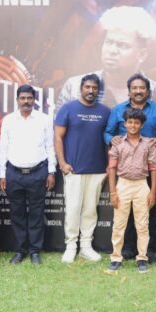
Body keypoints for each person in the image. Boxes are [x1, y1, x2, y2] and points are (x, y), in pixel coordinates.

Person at [104, 74, 156, 262]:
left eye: (142, 88)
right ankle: (127, 249)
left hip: (149, 169)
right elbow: (107, 133)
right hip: (125, 170)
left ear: (148, 91)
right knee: (125, 211)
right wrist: (111, 139)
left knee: (150, 209)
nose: (138, 91)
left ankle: (148, 250)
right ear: (129, 91)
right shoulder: (118, 110)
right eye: (134, 88)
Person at [54, 74, 111, 263]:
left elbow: (110, 140)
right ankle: (71, 246)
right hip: (74, 169)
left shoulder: (105, 112)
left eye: (94, 88)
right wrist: (62, 163)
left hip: (97, 169)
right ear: (81, 88)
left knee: (90, 210)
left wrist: (108, 166)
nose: (91, 91)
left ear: (98, 90)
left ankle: (86, 246)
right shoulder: (68, 109)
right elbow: (58, 137)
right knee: (72, 209)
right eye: (87, 87)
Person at [55, 6, 156, 109]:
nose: (112, 50)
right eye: (108, 42)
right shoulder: (75, 88)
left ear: (142, 54)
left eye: (122, 45)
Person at [0, 85, 56, 265]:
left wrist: (51, 171)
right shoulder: (9, 120)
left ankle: (35, 251)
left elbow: (50, 146)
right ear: (17, 100)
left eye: (29, 98)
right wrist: (2, 174)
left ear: (34, 99)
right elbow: (3, 148)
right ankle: (20, 251)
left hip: (38, 172)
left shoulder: (44, 119)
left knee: (37, 213)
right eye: (23, 98)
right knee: (17, 214)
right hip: (13, 173)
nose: (26, 101)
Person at [105, 108, 156, 273]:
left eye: (136, 122)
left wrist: (152, 192)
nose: (133, 125)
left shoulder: (148, 144)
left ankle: (142, 258)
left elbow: (154, 168)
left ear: (142, 125)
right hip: (122, 184)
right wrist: (113, 192)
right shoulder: (118, 143)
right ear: (125, 124)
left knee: (142, 224)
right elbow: (112, 169)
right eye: (130, 122)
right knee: (119, 224)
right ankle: (116, 257)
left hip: (142, 185)